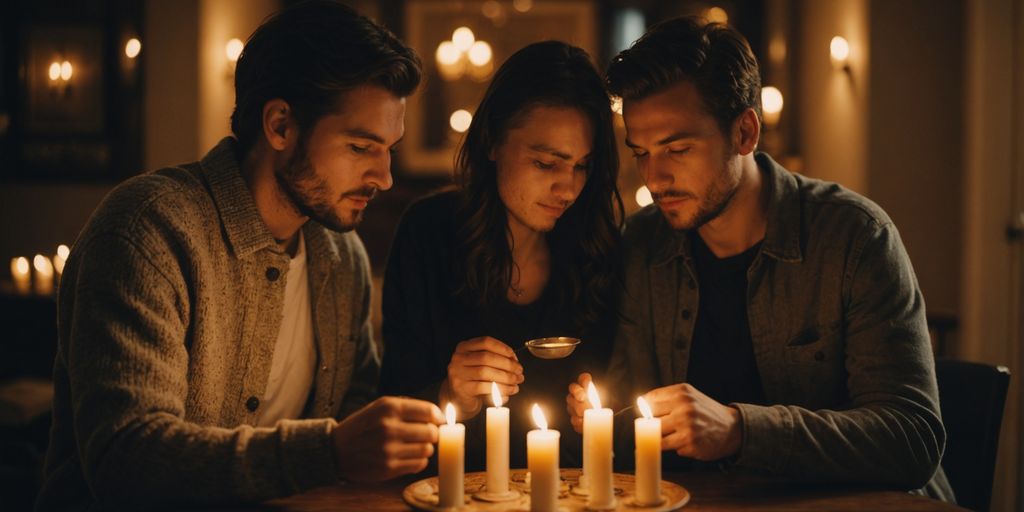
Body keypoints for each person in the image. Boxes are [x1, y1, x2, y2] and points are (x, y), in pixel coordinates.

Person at [37, 2, 445, 509]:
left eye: (389, 149)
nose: (384, 177)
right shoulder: (149, 230)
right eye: (361, 148)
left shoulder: (343, 258)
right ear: (279, 126)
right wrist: (329, 451)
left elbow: (355, 414)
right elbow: (126, 459)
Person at [564, 17, 954, 501]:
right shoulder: (644, 245)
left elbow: (911, 439)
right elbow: (632, 422)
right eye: (641, 152)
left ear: (745, 132)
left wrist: (739, 429)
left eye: (678, 148)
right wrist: (604, 416)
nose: (655, 177)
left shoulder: (855, 236)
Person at [379, 41, 622, 470]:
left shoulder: (595, 247)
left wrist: (600, 415)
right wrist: (449, 396)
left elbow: (621, 411)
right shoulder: (429, 233)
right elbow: (389, 412)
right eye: (547, 163)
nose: (567, 189)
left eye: (582, 166)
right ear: (492, 141)